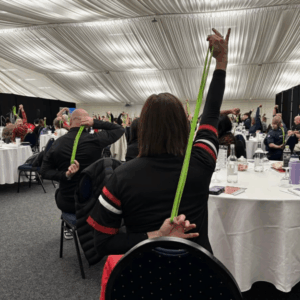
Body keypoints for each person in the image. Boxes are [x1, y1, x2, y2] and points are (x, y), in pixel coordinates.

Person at [78, 28, 231, 258]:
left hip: (142, 278)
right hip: (199, 277)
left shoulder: (121, 177)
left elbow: (102, 244)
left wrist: (156, 235)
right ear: (183, 126)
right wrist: (221, 62)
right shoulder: (202, 160)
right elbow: (211, 113)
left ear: (143, 129)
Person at [41, 108, 125, 219]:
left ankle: (68, 226)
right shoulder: (95, 139)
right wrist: (95, 123)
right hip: (92, 202)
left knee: (58, 192)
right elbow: (119, 129)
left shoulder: (57, 143)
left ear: (70, 122)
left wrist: (65, 175)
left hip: (67, 202)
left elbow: (44, 171)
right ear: (87, 122)